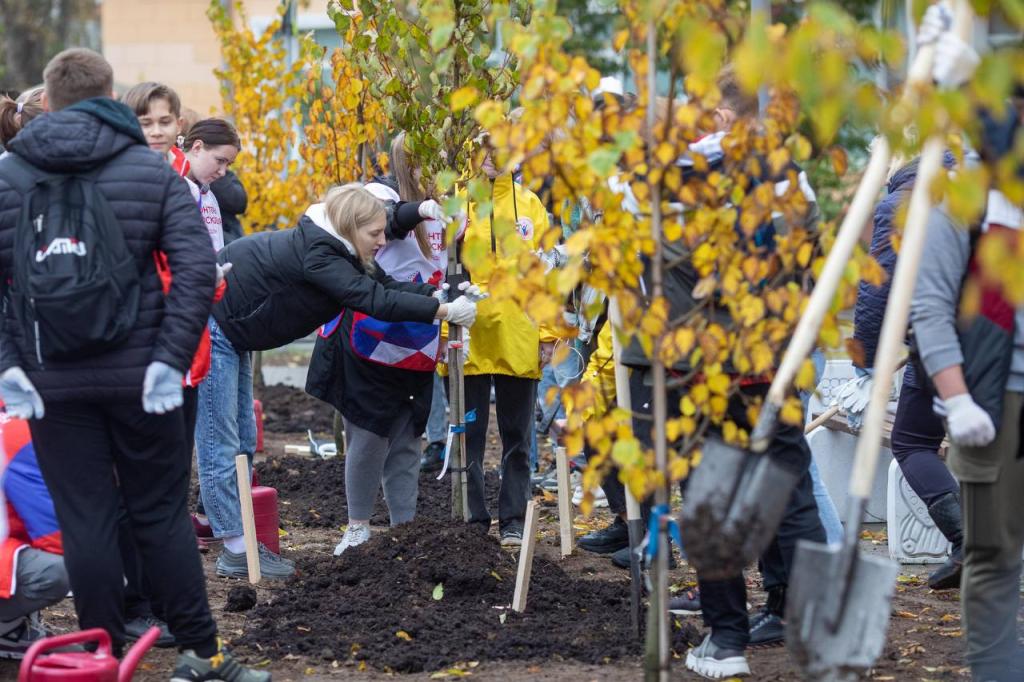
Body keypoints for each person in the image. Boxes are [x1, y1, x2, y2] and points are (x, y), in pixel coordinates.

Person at [0, 48, 267, 681]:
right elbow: (200, 270)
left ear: (51, 99)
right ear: (109, 96)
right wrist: (169, 358)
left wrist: (11, 363)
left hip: (51, 383)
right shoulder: (152, 175)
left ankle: (99, 653)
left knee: (85, 518)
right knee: (159, 514)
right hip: (142, 379)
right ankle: (203, 654)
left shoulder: (9, 178)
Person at [203, 182, 474, 577]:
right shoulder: (321, 255)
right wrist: (443, 312)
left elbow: (382, 284)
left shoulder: (340, 248)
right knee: (220, 441)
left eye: (384, 231)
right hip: (215, 326)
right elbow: (373, 300)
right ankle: (235, 548)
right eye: (375, 234)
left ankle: (238, 538)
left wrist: (437, 299)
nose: (383, 241)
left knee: (242, 438)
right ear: (350, 228)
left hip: (237, 331)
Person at [306, 134, 468, 555]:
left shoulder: (450, 205)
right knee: (370, 434)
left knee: (409, 434)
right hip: (372, 334)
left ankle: (405, 530)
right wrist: (419, 210)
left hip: (419, 333)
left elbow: (447, 263)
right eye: (428, 165)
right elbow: (388, 217)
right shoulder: (380, 193)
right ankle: (358, 526)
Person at [911, 91, 1024, 682]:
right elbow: (929, 309)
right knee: (996, 554)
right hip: (994, 400)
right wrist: (956, 399)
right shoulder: (962, 205)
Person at [839, 149, 962, 590]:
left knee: (912, 440)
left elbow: (876, 290)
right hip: (992, 336)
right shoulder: (975, 188)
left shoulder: (900, 203)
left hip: (939, 335)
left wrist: (867, 366)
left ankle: (968, 541)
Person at [452, 149, 556, 546]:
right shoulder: (456, 204)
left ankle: (513, 519)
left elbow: (546, 274)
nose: (494, 158)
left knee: (518, 434)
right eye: (486, 149)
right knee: (469, 433)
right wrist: (446, 334)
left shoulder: (530, 204)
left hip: (519, 333)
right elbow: (441, 269)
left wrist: (546, 332)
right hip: (469, 336)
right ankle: (472, 522)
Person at [0, 408, 69, 659]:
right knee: (60, 569)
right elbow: (53, 534)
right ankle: (6, 630)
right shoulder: (21, 430)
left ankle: (12, 626)